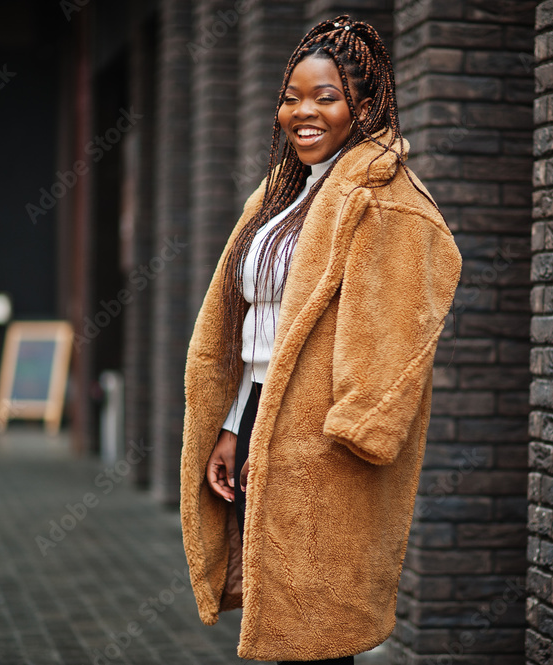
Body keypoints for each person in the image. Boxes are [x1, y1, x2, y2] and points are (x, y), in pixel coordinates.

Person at [180, 15, 462, 664]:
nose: (303, 112)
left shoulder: (386, 197)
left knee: (317, 636)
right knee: (286, 625)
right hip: (258, 415)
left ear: (365, 105)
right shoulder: (281, 194)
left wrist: (335, 435)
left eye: (325, 97)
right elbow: (254, 325)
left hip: (321, 443)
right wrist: (233, 425)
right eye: (292, 96)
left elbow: (400, 327)